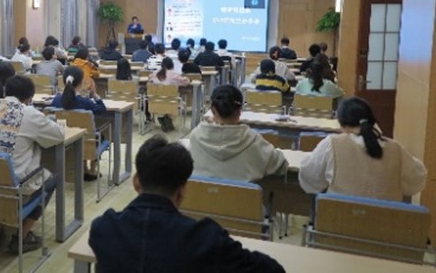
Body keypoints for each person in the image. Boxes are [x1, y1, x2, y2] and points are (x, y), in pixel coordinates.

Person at [89, 135, 285, 273]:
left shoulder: (103, 229)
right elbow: (271, 269)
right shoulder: (205, 239)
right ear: (183, 191)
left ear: (136, 183)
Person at [0, 76, 63, 252]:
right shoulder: (29, 113)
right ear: (29, 98)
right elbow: (58, 136)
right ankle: (22, 236)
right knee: (52, 179)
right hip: (13, 189)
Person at [299, 97, 427, 201]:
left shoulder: (332, 144)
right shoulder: (396, 149)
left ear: (342, 124)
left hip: (338, 221)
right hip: (386, 223)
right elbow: (417, 180)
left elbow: (310, 177)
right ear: (372, 121)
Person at [188, 85, 287, 181]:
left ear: (213, 110)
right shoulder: (252, 139)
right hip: (243, 193)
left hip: (201, 193)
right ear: (239, 111)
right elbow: (281, 165)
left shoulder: (196, 136)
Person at [50, 67, 107, 181]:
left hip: (65, 139)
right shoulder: (85, 102)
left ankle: (83, 167)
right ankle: (91, 169)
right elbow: (102, 109)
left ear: (64, 81)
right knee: (97, 135)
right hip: (86, 142)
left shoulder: (56, 100)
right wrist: (94, 94)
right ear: (81, 82)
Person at [150, 57, 190, 132]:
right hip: (172, 102)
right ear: (172, 65)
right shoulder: (173, 74)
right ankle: (168, 118)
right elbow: (186, 82)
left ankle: (165, 118)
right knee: (179, 101)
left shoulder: (154, 74)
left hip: (156, 101)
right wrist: (187, 79)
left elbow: (149, 81)